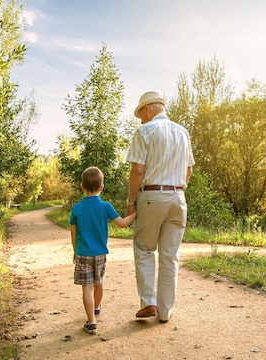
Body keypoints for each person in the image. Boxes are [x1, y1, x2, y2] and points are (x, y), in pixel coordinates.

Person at [125, 91, 194, 324]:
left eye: (140, 115)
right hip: (178, 197)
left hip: (151, 196)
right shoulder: (182, 132)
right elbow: (188, 170)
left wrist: (131, 201)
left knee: (144, 249)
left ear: (147, 110)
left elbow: (137, 170)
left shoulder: (145, 131)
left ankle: (148, 303)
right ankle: (165, 311)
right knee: (170, 256)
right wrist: (177, 189)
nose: (140, 120)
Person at [70, 166, 136, 334]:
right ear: (101, 187)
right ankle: (97, 307)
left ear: (82, 186)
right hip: (100, 253)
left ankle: (91, 322)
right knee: (98, 282)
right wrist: (136, 213)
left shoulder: (76, 208)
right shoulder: (105, 206)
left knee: (87, 287)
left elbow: (74, 233)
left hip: (83, 253)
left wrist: (75, 251)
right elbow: (122, 224)